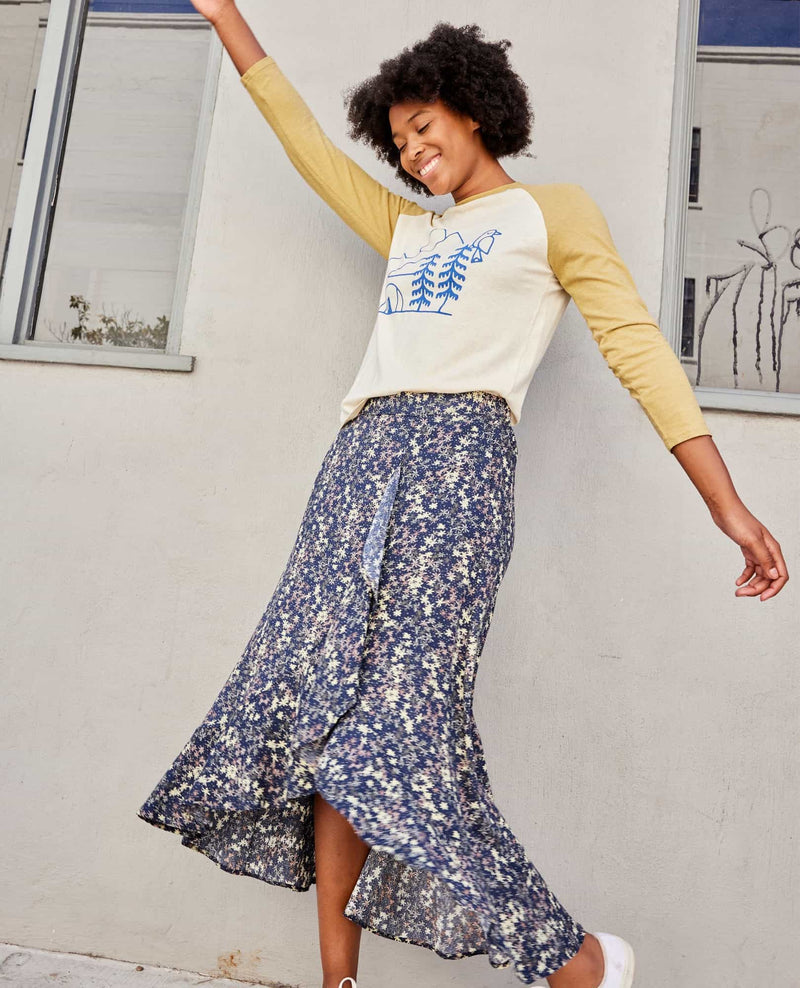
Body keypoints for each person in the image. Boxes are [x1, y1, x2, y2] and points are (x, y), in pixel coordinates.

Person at [137, 10, 790, 988]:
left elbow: (637, 349)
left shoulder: (553, 214)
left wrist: (724, 506)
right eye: (398, 140)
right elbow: (302, 139)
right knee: (324, 723)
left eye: (423, 124)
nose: (411, 149)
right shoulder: (407, 229)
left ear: (474, 110)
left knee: (396, 737)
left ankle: (574, 961)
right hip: (357, 465)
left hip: (458, 465)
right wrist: (229, 18)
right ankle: (339, 982)